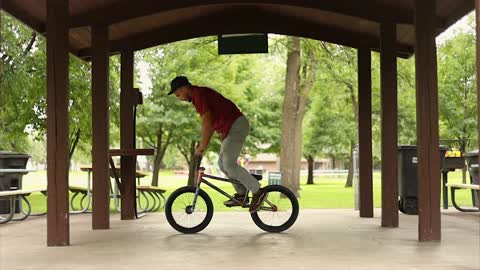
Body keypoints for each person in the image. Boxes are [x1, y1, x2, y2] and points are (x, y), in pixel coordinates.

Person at [168, 76, 266, 212]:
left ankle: (258, 192)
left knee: (228, 164)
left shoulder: (199, 95)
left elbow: (207, 123)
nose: (180, 98)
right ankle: (242, 194)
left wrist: (202, 145)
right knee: (222, 164)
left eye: (178, 94)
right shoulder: (198, 96)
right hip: (231, 128)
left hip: (236, 125)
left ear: (184, 87)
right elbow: (213, 121)